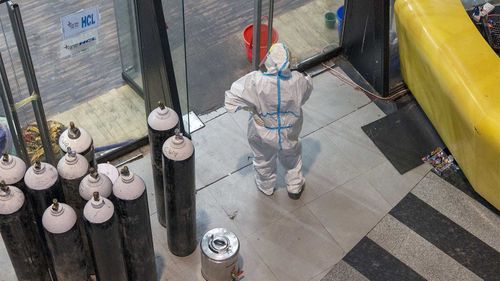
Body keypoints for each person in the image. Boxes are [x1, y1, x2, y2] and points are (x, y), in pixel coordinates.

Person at [225, 43, 313, 199]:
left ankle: (266, 187)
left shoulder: (255, 81)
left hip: (263, 130)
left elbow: (231, 101)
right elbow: (306, 93)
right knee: (292, 155)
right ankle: (294, 186)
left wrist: (250, 107)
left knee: (263, 158)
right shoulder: (298, 80)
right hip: (290, 129)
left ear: (269, 60)